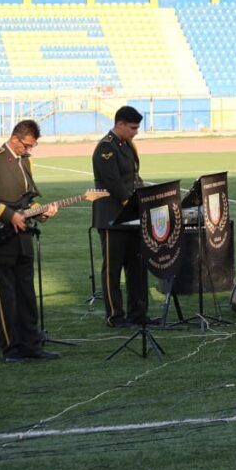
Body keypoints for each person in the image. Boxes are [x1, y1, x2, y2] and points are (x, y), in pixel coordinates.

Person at [0, 120, 59, 363]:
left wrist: (39, 212)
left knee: (27, 295)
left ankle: (32, 345)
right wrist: (10, 216)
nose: (29, 150)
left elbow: (27, 198)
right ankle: (11, 350)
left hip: (23, 238)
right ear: (15, 139)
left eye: (32, 146)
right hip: (1, 236)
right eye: (27, 145)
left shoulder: (25, 161)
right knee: (6, 296)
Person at [93, 105, 148, 328]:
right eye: (133, 127)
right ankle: (115, 316)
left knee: (137, 268)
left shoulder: (126, 145)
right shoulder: (106, 148)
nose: (136, 132)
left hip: (130, 217)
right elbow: (112, 182)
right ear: (120, 124)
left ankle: (138, 314)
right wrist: (130, 204)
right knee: (112, 270)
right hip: (112, 218)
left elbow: (134, 177)